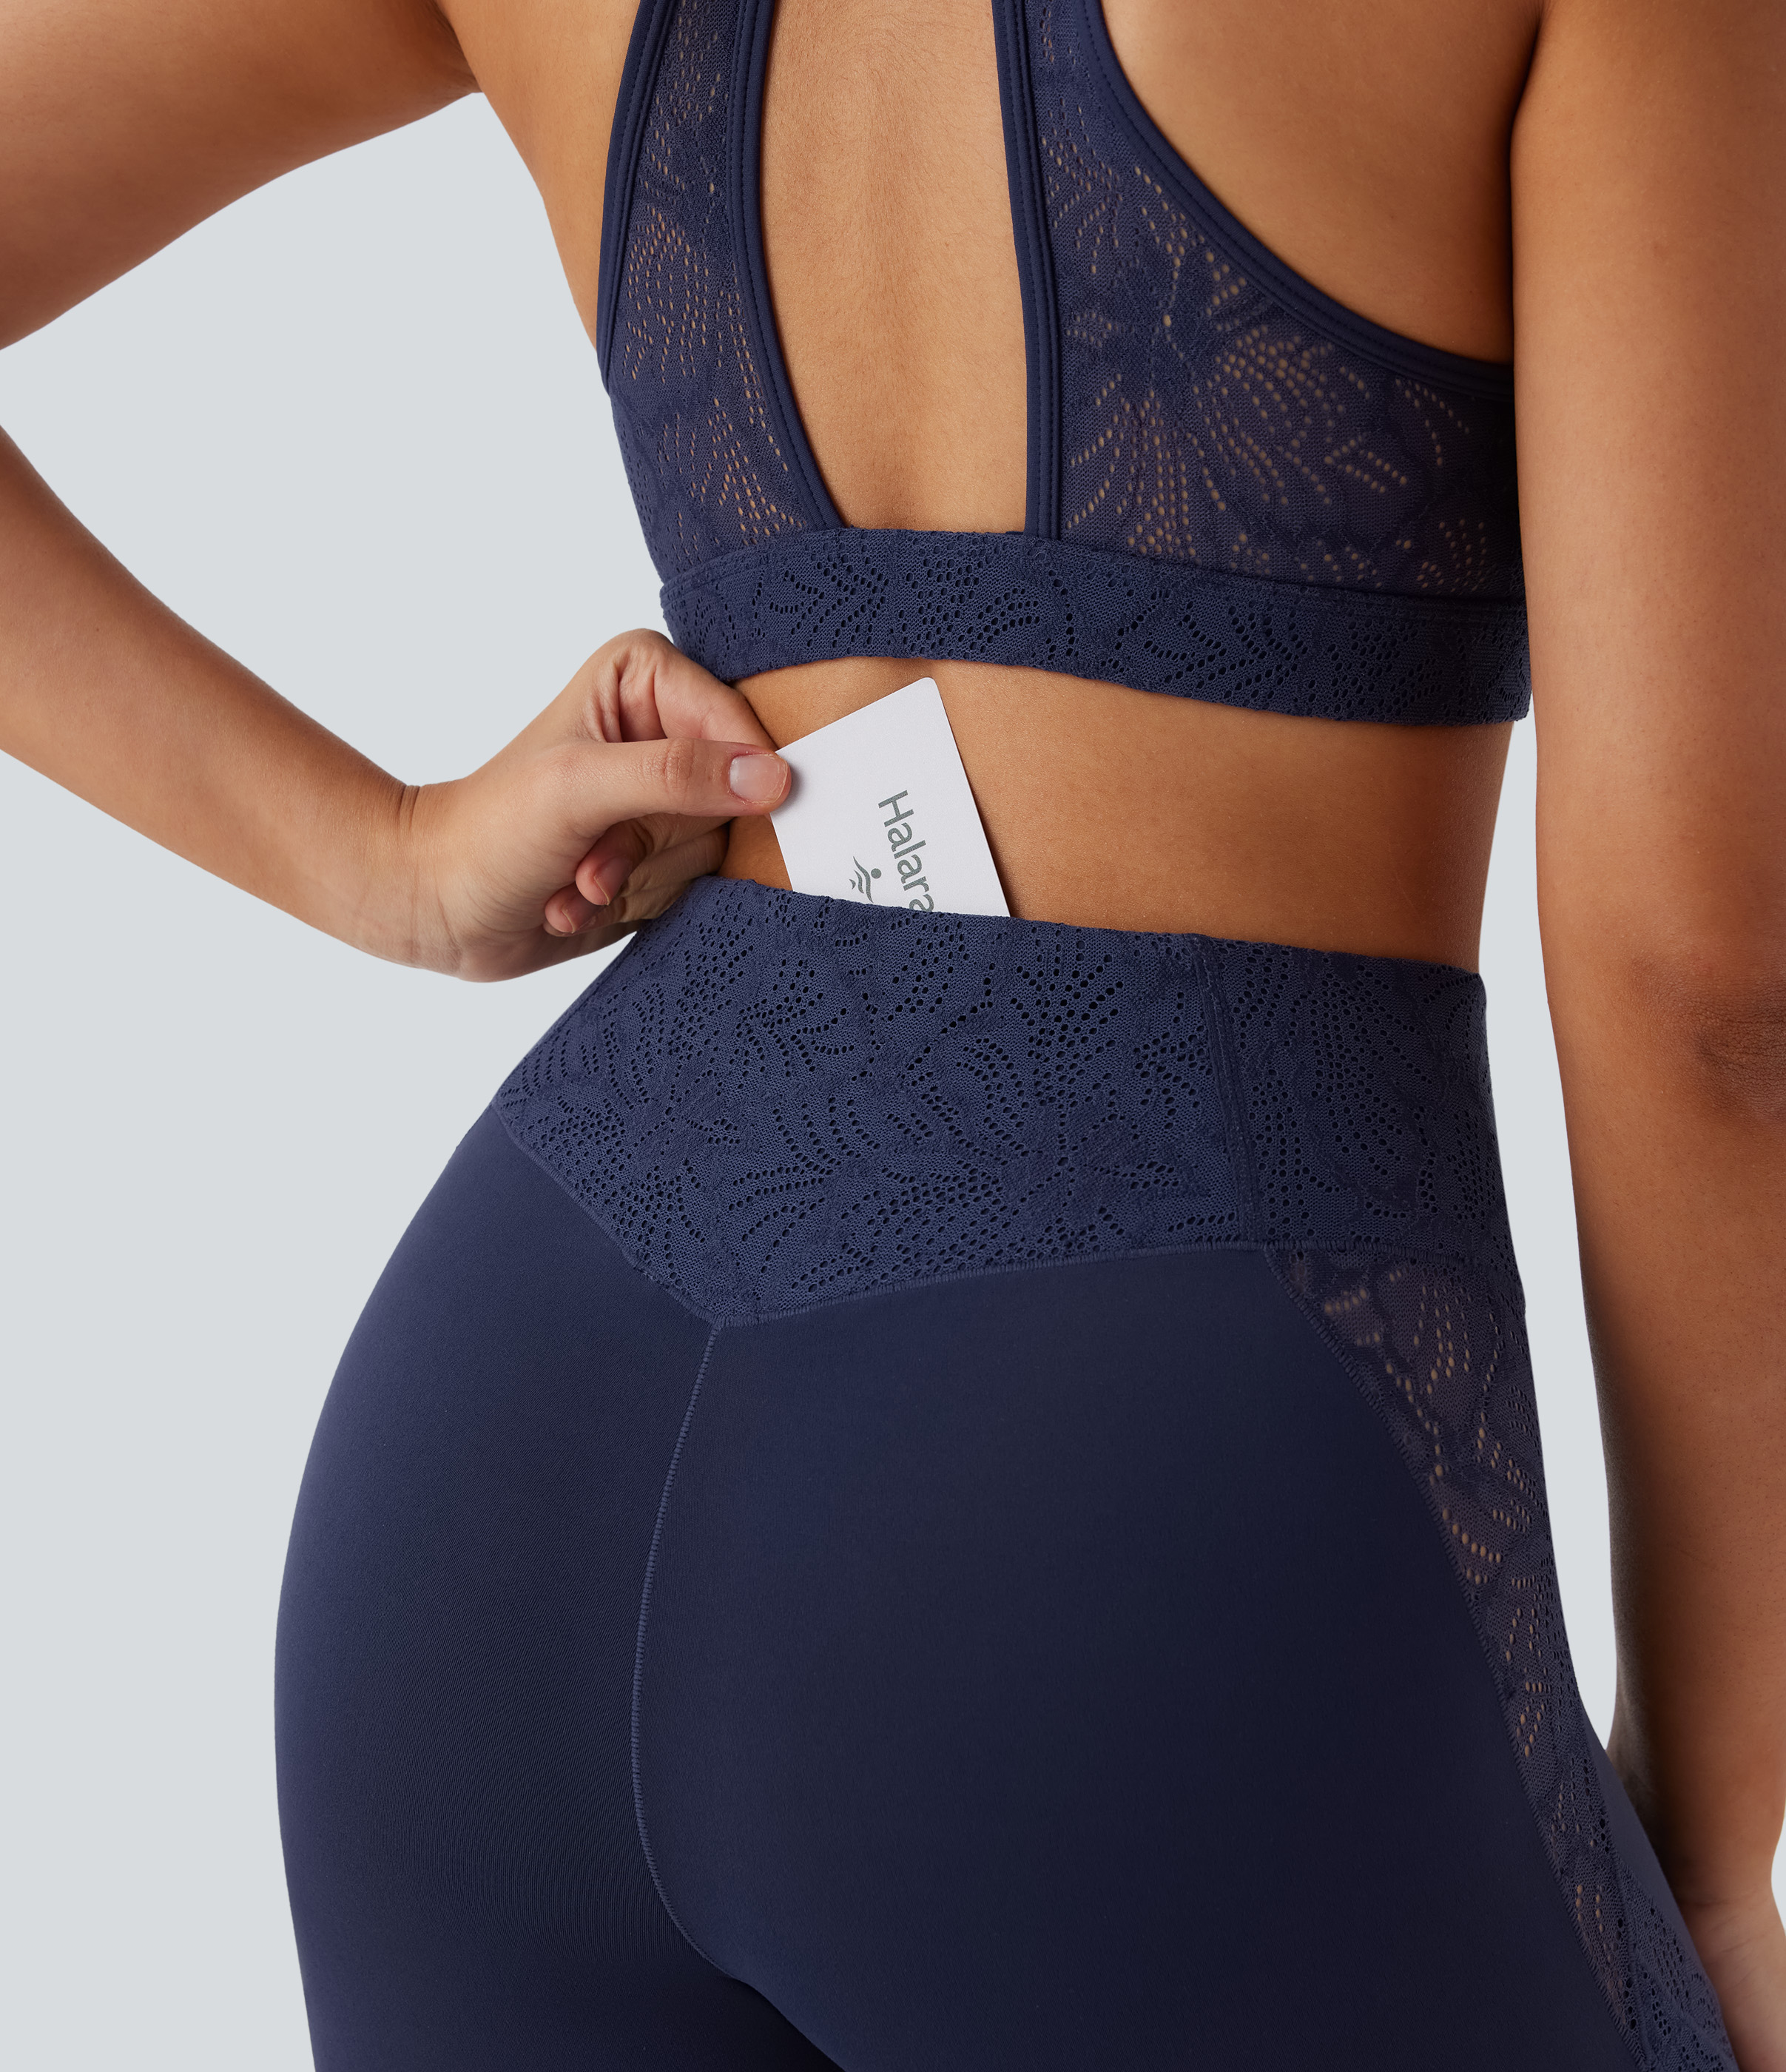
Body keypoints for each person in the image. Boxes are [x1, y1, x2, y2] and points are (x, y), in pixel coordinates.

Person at [4, 0, 1783, 2064]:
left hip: (508, 1458)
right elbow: (1708, 984)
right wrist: (1715, 1840)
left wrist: (387, 858)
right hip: (1145, 1477)